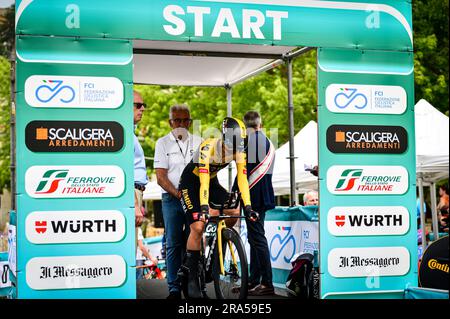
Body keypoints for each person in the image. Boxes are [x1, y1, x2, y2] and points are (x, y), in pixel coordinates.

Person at [177, 117, 259, 299]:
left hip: (211, 182)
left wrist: (249, 207)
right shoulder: (208, 147)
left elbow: (243, 180)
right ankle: (191, 275)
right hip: (192, 182)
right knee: (198, 226)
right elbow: (203, 182)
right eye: (232, 147)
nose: (235, 151)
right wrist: (204, 208)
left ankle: (218, 246)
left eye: (239, 147)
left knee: (234, 210)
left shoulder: (239, 150)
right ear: (224, 139)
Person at [154, 104, 202, 299]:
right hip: (172, 198)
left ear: (190, 122)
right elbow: (160, 177)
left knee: (195, 239)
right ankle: (174, 288)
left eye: (185, 120)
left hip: (195, 198)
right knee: (174, 242)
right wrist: (178, 193)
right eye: (177, 120)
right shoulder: (162, 143)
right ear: (170, 122)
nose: (181, 124)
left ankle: (194, 284)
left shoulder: (199, 141)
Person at [241, 111, 276, 296]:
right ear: (259, 124)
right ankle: (254, 281)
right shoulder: (267, 141)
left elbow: (243, 173)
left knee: (258, 239)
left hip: (253, 197)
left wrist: (233, 192)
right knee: (255, 238)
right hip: (263, 195)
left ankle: (266, 282)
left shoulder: (249, 143)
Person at [133, 91, 147, 244]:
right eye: (137, 105)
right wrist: (134, 205)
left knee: (133, 244)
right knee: (131, 245)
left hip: (137, 192)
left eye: (144, 105)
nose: (142, 108)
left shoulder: (131, 133)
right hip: (132, 193)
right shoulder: (123, 132)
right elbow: (124, 172)